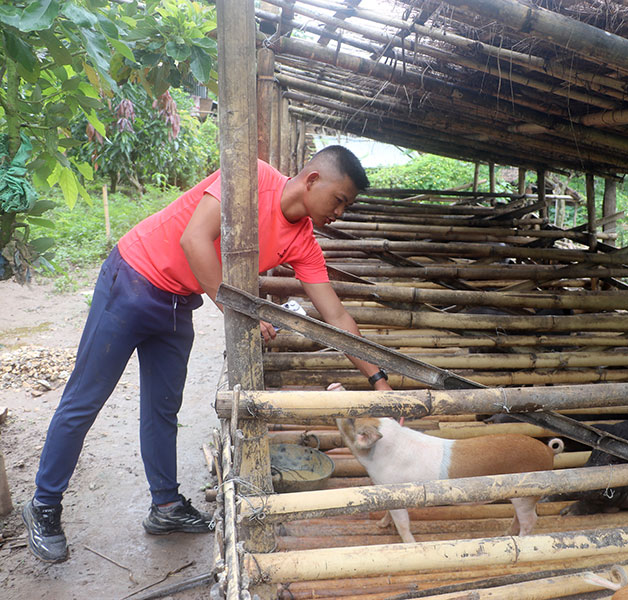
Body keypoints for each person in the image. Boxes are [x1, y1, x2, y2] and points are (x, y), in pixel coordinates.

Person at [23, 145, 392, 563]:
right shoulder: (250, 175)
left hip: (179, 300)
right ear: (312, 180)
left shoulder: (303, 243)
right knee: (85, 399)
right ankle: (44, 505)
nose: (339, 212)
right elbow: (193, 238)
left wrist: (378, 378)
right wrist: (241, 312)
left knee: (163, 409)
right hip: (133, 277)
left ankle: (165, 507)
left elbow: (337, 315)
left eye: (346, 206)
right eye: (339, 200)